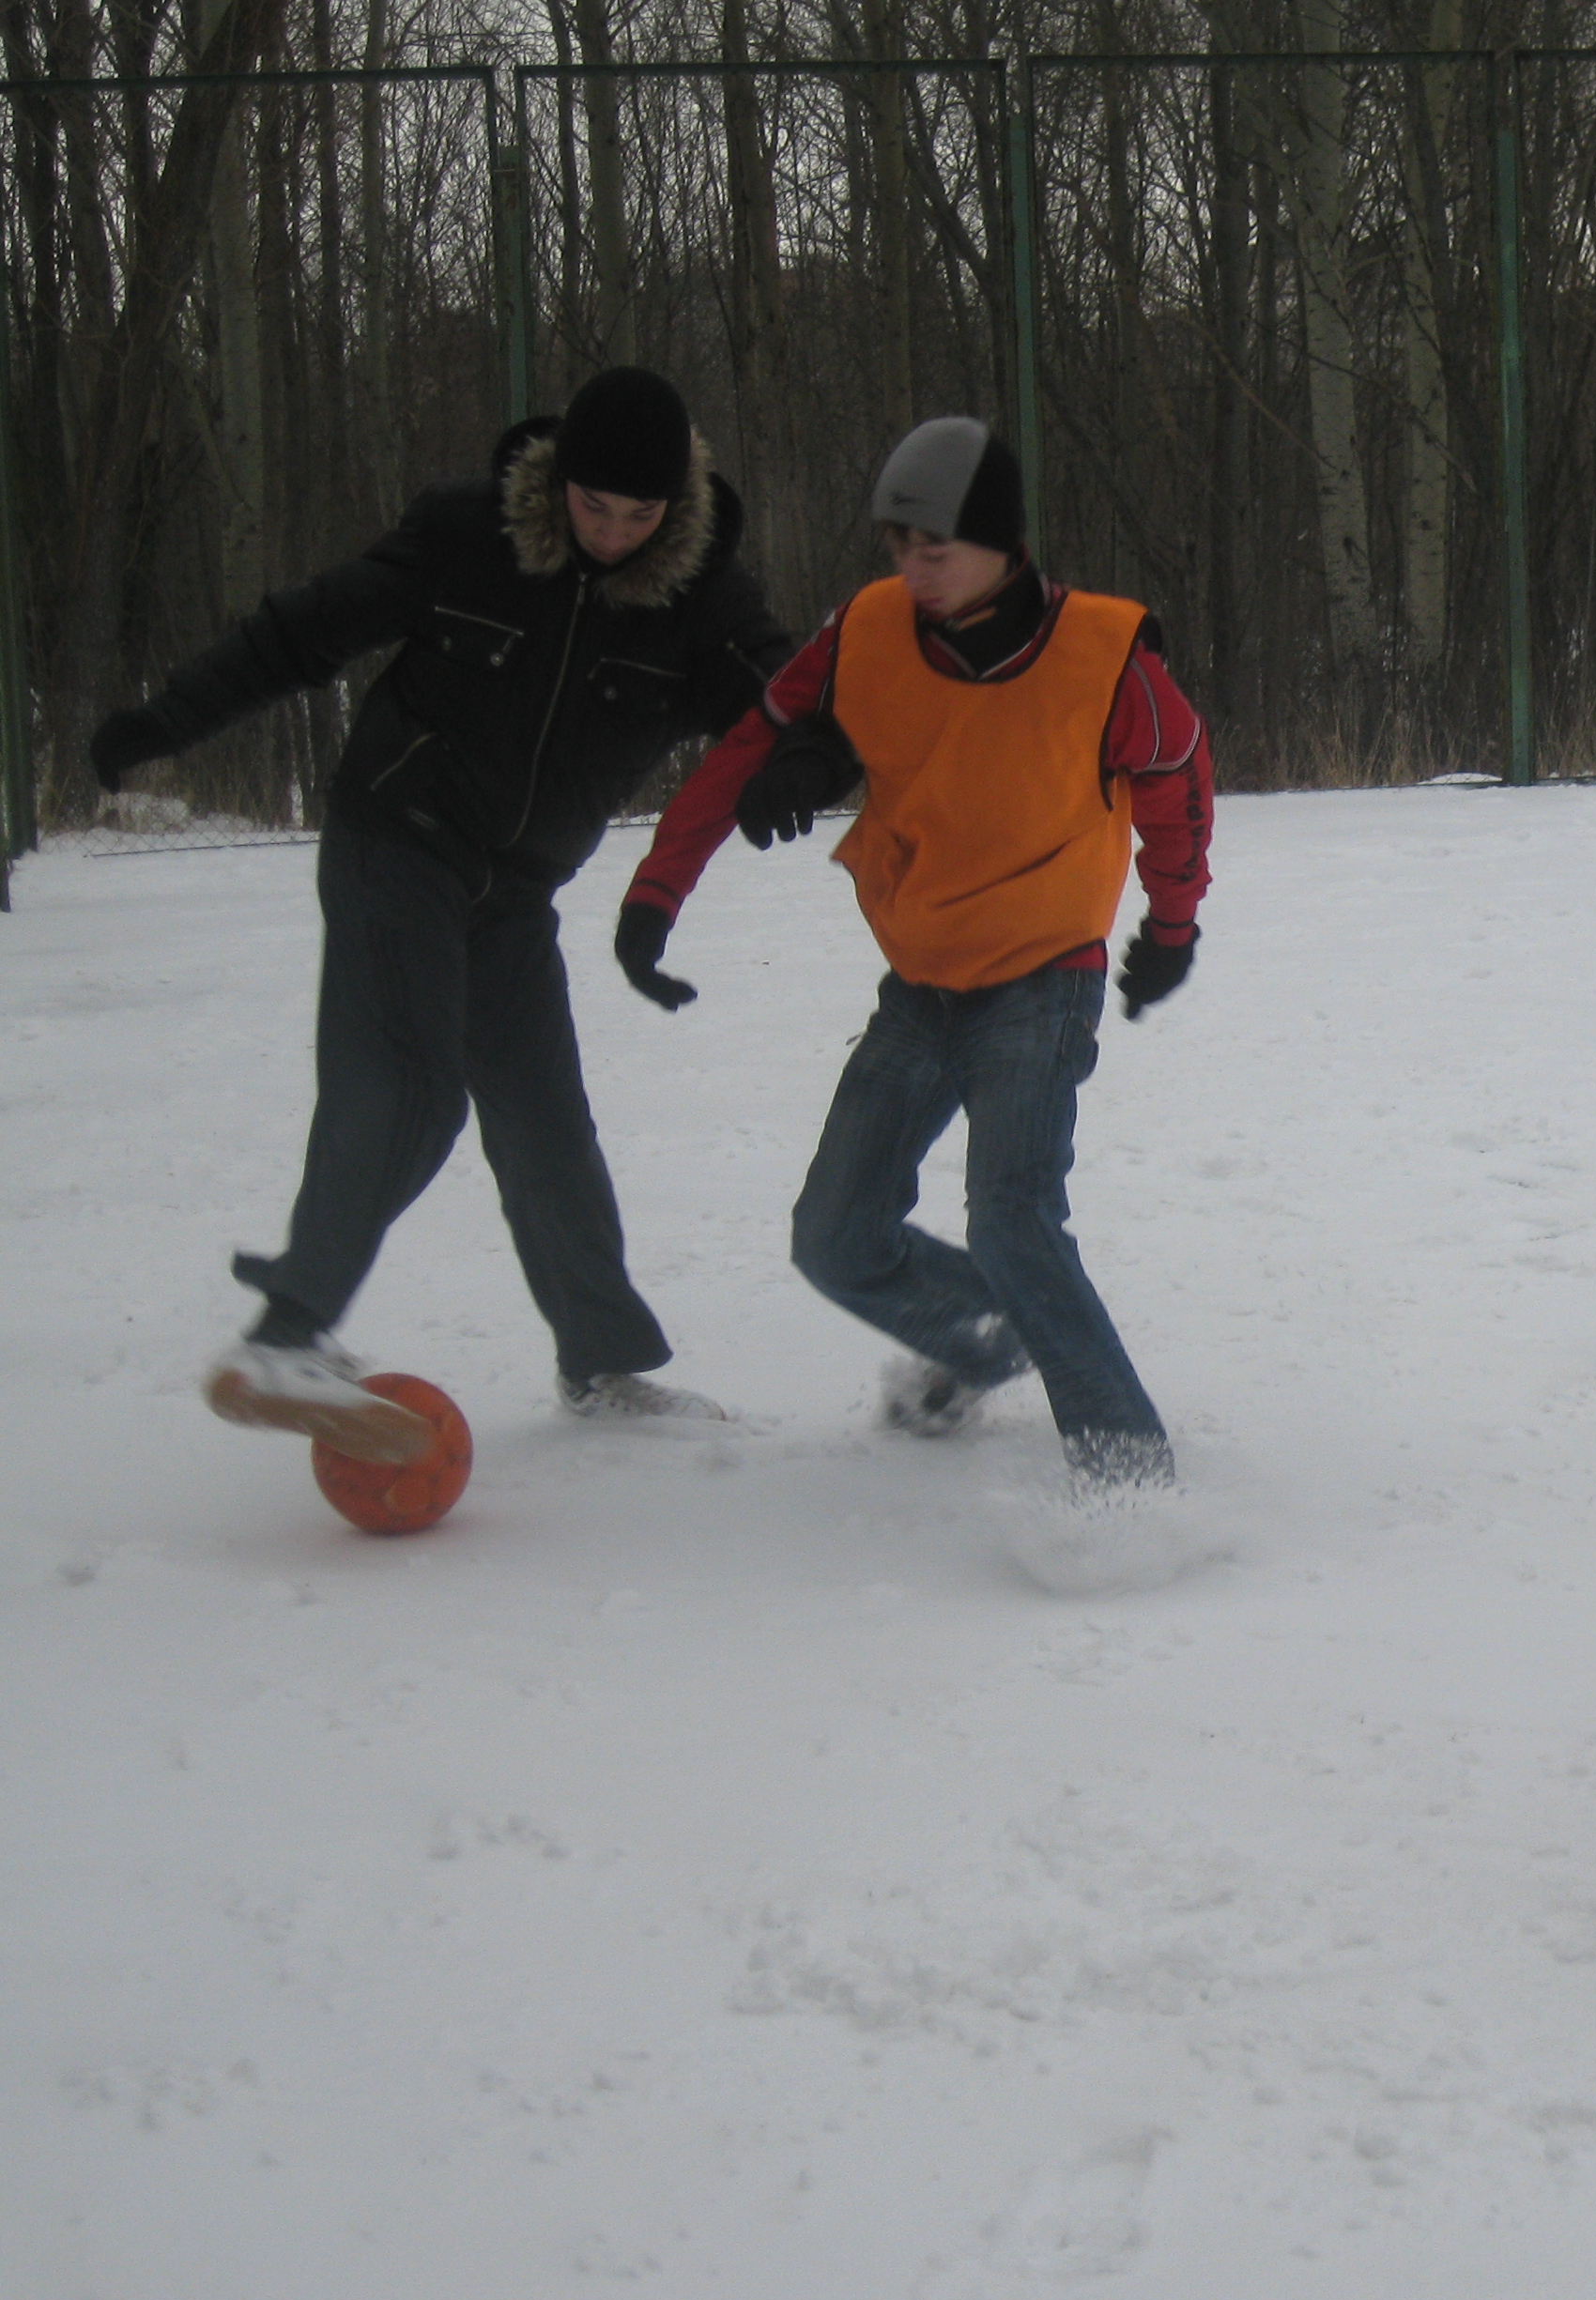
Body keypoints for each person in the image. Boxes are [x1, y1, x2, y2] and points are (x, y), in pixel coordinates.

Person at [86, 367, 786, 1462]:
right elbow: (298, 635)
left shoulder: (702, 601)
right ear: (558, 481)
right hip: (395, 841)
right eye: (591, 505)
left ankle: (603, 1365)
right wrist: (171, 719)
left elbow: (791, 697)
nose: (609, 532)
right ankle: (288, 1332)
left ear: (673, 510)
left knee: (547, 1127)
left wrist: (820, 754)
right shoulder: (469, 536)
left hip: (513, 895)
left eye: (636, 515)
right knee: (408, 1083)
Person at [625, 419, 1212, 1494]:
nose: (911, 568)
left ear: (999, 543)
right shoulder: (869, 630)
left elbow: (1177, 787)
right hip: (924, 983)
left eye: (933, 546)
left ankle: (1129, 1478)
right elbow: (755, 741)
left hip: (1045, 975)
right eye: (897, 547)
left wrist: (1171, 926)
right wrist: (659, 891)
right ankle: (990, 1339)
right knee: (835, 1237)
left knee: (1013, 1217)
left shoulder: (1105, 656)